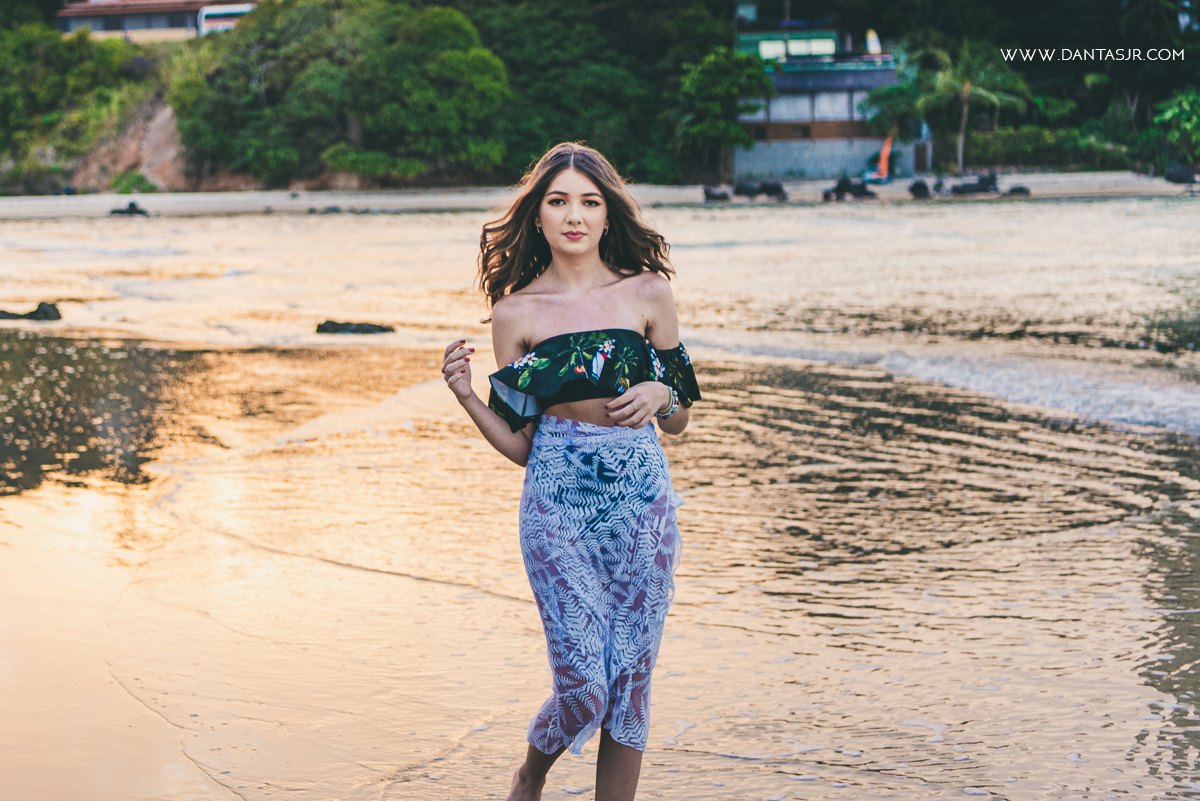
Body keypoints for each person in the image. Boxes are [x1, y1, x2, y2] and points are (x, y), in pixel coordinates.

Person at [441, 142, 700, 801]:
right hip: (556, 504)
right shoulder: (516, 312)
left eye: (589, 201)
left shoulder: (649, 293)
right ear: (538, 215)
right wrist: (468, 396)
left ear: (609, 214)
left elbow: (680, 419)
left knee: (630, 682)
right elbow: (521, 443)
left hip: (641, 503)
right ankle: (530, 775)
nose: (574, 215)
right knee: (584, 686)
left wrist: (660, 394)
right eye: (558, 201)